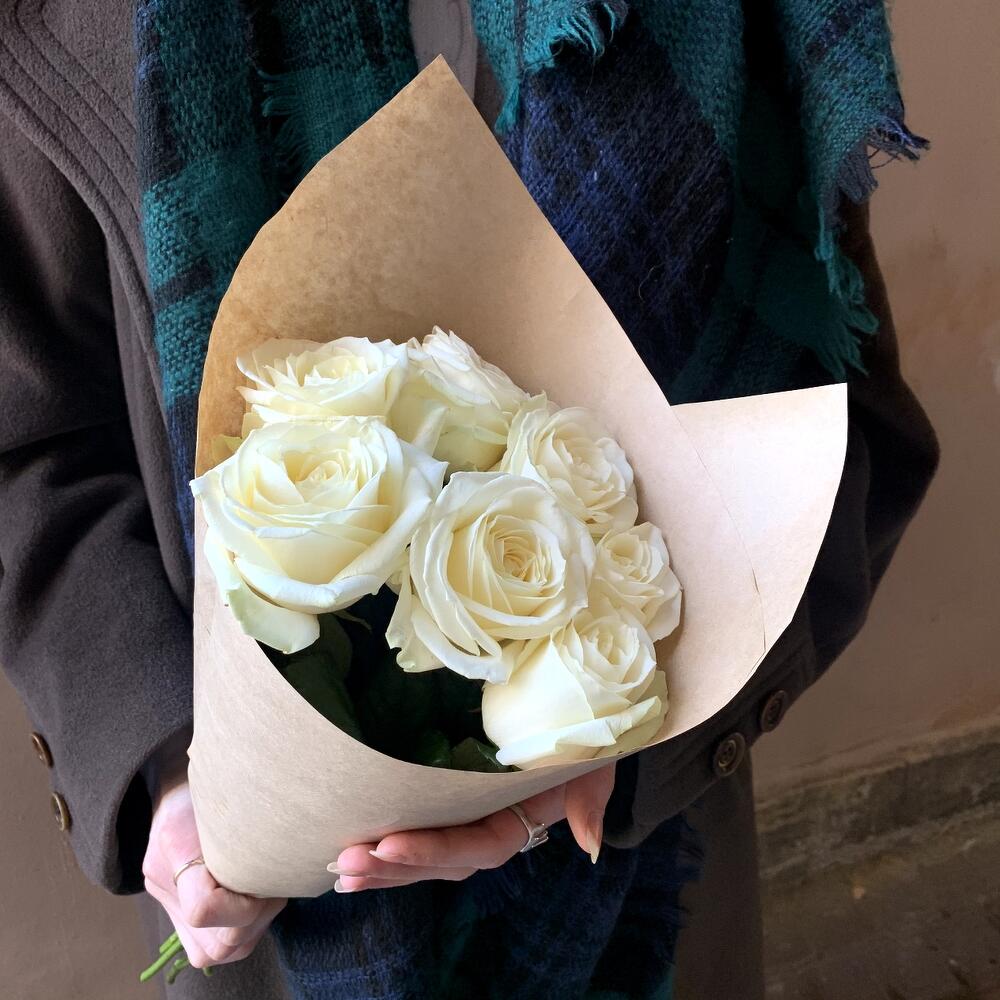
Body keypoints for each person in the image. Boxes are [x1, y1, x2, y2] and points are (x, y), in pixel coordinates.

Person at [0, 1, 938, 998]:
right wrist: (170, 766)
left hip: (642, 845)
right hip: (264, 903)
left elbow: (841, 416)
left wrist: (607, 755)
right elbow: (36, 439)